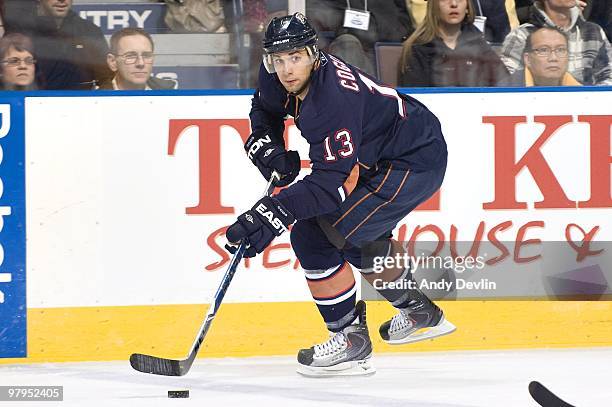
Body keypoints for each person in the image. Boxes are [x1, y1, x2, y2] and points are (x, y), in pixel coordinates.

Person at [224, 13, 456, 377]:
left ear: (314, 54)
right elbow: (264, 110)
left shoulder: (332, 100)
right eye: (278, 58)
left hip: (413, 159)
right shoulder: (275, 73)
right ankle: (418, 311)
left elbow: (328, 186)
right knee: (354, 236)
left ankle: (350, 339)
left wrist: (271, 214)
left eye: (295, 57)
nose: (286, 68)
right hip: (379, 151)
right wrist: (269, 149)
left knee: (316, 236)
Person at [398, 0, 509, 87]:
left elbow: (505, 86)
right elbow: (415, 102)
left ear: (467, 6)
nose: (454, 4)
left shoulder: (480, 45)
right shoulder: (418, 48)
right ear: (434, 6)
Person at [500, 0, 612, 85]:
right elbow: (508, 84)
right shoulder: (521, 36)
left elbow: (609, 76)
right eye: (543, 50)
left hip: (587, 111)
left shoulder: (594, 32)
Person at [24, 0, 112, 89]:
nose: (62, 0)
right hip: (35, 101)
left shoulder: (89, 31)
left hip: (81, 101)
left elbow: (106, 78)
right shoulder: (24, 31)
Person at [97, 28, 176, 91]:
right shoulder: (94, 99)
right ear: (112, 62)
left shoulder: (170, 94)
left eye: (146, 56)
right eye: (131, 56)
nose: (141, 63)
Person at [498, 26, 581, 86]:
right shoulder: (505, 91)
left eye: (560, 50)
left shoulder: (583, 89)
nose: (553, 58)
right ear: (527, 59)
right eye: (543, 50)